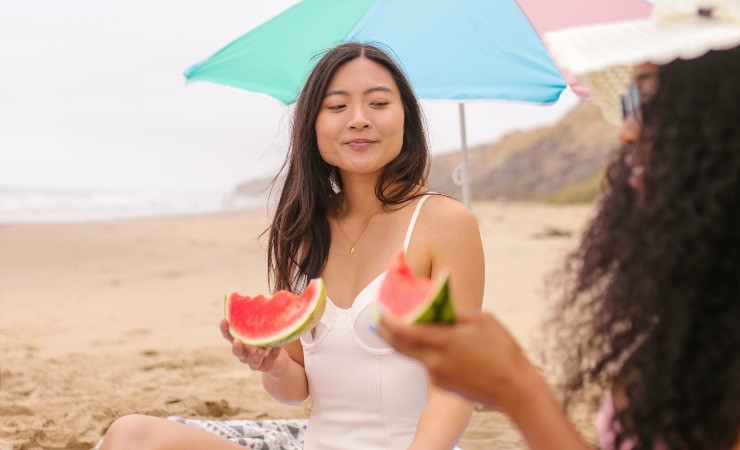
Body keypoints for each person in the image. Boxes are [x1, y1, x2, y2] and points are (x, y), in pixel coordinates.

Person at [377, 2, 740, 450]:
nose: (625, 131)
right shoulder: (704, 288)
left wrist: (517, 388)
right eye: (628, 102)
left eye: (645, 100)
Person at [99, 42, 484, 450]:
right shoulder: (304, 229)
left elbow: (457, 383)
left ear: (405, 116)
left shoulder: (443, 222)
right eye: (336, 107)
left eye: (378, 103)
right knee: (131, 435)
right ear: (312, 125)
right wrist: (274, 363)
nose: (358, 120)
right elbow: (295, 388)